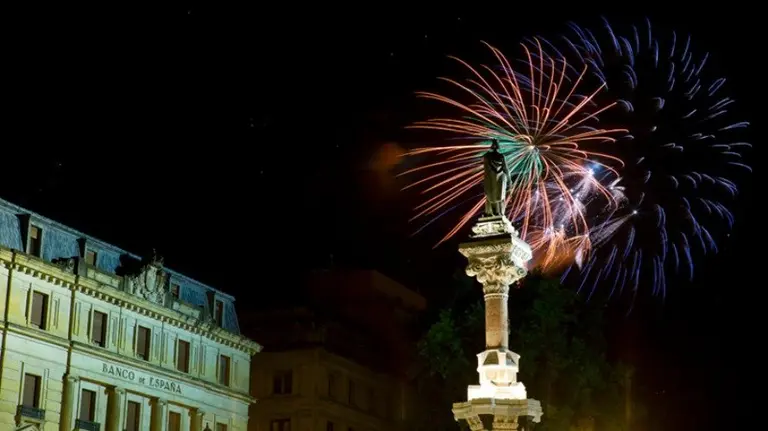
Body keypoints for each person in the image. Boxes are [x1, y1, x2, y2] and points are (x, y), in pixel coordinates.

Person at [482, 139, 511, 216]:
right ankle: (496, 212)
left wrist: (509, 180)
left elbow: (505, 168)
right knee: (496, 195)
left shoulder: (488, 156)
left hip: (493, 177)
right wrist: (509, 181)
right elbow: (506, 169)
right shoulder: (497, 156)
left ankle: (495, 212)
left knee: (494, 195)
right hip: (498, 177)